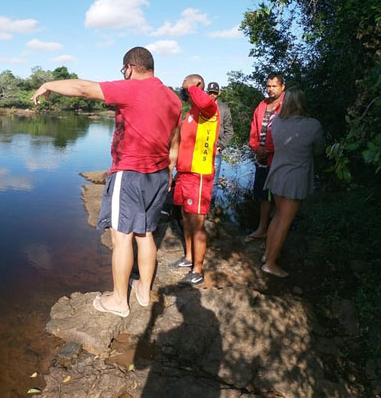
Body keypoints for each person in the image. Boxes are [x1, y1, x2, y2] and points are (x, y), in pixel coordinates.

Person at [31, 47, 181, 316]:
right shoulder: (172, 98)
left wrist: (47, 84)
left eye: (123, 71)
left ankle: (119, 301)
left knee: (121, 237)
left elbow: (82, 88)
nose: (123, 75)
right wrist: (169, 171)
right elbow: (175, 143)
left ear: (130, 67)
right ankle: (143, 292)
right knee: (145, 233)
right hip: (158, 175)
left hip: (130, 172)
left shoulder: (133, 88)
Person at [261, 88, 325, 277]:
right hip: (294, 180)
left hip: (276, 176)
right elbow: (319, 150)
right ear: (302, 102)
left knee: (278, 216)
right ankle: (270, 264)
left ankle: (267, 255)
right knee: (284, 222)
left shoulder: (277, 122)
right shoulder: (313, 125)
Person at [171, 75, 220, 286]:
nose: (183, 92)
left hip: (199, 175)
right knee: (185, 216)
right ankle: (188, 258)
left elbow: (205, 101)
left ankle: (198, 270)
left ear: (197, 87)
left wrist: (193, 87)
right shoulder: (190, 113)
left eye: (186, 88)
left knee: (197, 223)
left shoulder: (208, 111)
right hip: (184, 173)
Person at [245, 74, 286, 243]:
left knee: (278, 197)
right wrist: (256, 147)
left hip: (279, 159)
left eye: (274, 86)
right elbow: (254, 129)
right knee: (263, 196)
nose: (270, 90)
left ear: (282, 87)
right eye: (268, 86)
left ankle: (274, 234)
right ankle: (262, 229)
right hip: (262, 159)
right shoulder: (262, 105)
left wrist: (269, 149)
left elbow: (288, 133)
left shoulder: (287, 105)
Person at [206, 82, 234, 208]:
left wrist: (220, 146)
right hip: (202, 148)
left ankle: (210, 206)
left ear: (219, 93)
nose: (212, 95)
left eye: (214, 93)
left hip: (216, 149)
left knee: (213, 181)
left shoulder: (224, 109)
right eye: (210, 92)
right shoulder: (203, 106)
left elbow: (229, 132)